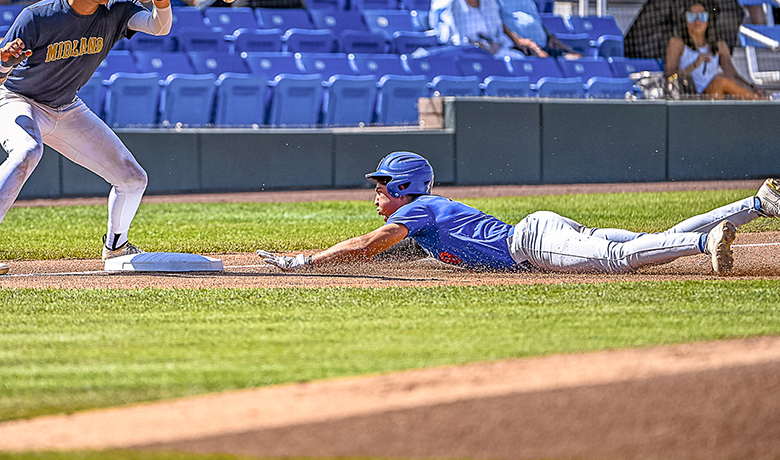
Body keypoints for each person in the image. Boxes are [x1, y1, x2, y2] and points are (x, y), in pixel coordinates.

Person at [0, 0, 174, 275]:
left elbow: (159, 27)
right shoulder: (38, 16)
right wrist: (5, 64)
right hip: (16, 99)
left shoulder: (117, 9)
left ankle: (116, 246)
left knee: (133, 178)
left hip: (66, 107)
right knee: (27, 151)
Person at [258, 152, 780, 276]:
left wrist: (306, 262)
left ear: (402, 188)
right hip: (537, 233)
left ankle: (703, 243)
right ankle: (757, 204)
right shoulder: (425, 214)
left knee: (621, 259)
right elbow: (386, 254)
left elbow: (368, 246)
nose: (375, 195)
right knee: (646, 240)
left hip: (530, 245)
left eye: (380, 187)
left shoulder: (420, 208)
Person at [664, 0, 765, 99]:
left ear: (709, 19)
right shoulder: (677, 43)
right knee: (719, 81)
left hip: (713, 95)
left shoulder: (719, 45)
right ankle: (759, 101)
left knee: (722, 82)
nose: (697, 22)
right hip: (688, 96)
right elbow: (670, 77)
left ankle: (758, 98)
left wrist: (751, 87)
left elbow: (732, 75)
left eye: (702, 17)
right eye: (691, 17)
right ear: (684, 20)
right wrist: (694, 65)